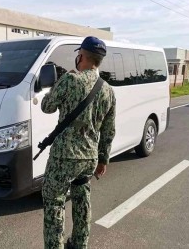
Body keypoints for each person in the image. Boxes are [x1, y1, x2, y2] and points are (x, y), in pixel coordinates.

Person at [41, 36, 116, 249]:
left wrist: (58, 83)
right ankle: (80, 244)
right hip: (89, 158)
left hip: (64, 157)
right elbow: (108, 130)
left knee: (54, 203)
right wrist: (103, 160)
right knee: (82, 200)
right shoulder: (108, 90)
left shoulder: (71, 80)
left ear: (81, 55)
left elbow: (46, 106)